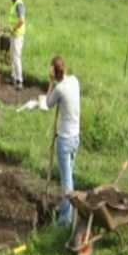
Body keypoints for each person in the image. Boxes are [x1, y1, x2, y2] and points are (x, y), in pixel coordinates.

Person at [46, 56, 80, 227]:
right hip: (75, 138)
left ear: (53, 72)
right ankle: (69, 209)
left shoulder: (58, 89)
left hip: (65, 140)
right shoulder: (74, 81)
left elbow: (48, 103)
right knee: (70, 176)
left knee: (66, 180)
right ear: (65, 69)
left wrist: (51, 83)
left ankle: (65, 220)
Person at [8, 0, 26, 90]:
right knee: (12, 56)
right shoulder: (15, 4)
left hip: (17, 35)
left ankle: (20, 81)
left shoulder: (19, 4)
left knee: (16, 57)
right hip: (13, 34)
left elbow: (21, 20)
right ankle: (13, 77)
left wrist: (13, 29)